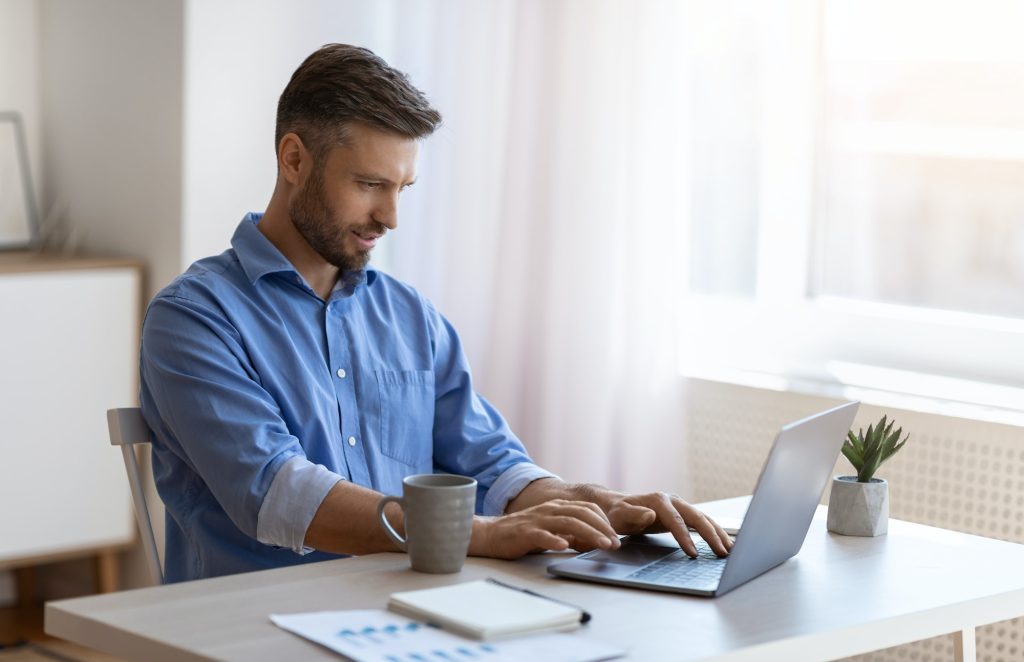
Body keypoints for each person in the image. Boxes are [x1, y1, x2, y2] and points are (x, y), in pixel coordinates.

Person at [140, 43, 733, 583]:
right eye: (371, 184)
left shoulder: (408, 316)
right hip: (248, 627)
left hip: (408, 608)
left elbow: (489, 459)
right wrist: (475, 535)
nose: (390, 217)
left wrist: (591, 502)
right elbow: (275, 492)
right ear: (294, 159)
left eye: (403, 188)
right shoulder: (193, 319)